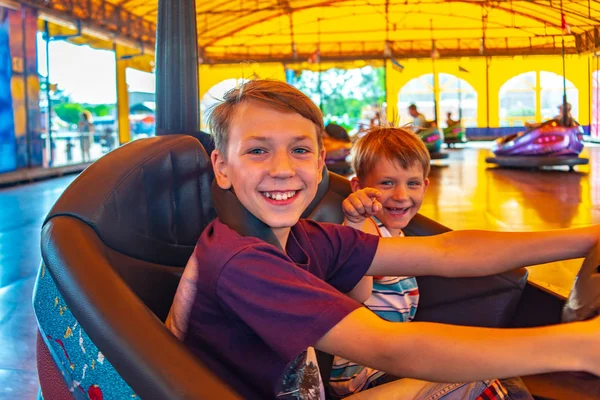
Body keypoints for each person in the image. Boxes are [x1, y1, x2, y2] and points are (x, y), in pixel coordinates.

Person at [166, 79, 600, 400]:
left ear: (320, 164)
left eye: (299, 150)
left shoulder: (305, 237)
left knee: (489, 382)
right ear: (221, 167)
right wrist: (573, 348)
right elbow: (388, 346)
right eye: (258, 150)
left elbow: (446, 251)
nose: (282, 168)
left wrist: (585, 237)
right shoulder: (241, 261)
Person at [329, 126, 531, 399]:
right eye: (387, 183)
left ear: (425, 185)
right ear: (358, 187)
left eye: (412, 183)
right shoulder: (367, 228)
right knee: (485, 366)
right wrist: (354, 221)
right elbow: (358, 293)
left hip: (388, 360)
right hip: (363, 374)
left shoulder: (399, 235)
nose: (401, 195)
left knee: (493, 365)